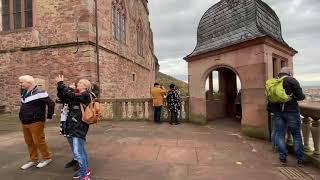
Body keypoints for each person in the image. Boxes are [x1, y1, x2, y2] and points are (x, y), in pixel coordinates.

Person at [56, 75, 94, 180]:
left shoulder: (86, 95)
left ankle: (84, 175)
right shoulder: (77, 94)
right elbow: (63, 97)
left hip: (79, 126)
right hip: (72, 126)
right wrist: (61, 87)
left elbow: (71, 96)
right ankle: (85, 170)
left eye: (81, 83)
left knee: (78, 151)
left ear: (86, 86)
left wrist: (62, 85)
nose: (78, 83)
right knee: (80, 150)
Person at [267, 67, 305, 166]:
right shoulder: (291, 80)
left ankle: (282, 157)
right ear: (289, 73)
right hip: (291, 111)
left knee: (280, 134)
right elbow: (301, 96)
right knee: (296, 135)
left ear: (280, 74)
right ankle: (300, 159)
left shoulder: (273, 82)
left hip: (278, 112)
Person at [18, 75, 55, 170]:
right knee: (29, 141)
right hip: (25, 121)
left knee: (38, 141)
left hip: (36, 121)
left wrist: (49, 116)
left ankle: (47, 158)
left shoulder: (40, 92)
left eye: (22, 82)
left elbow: (51, 103)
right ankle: (33, 159)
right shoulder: (24, 92)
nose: (20, 84)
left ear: (29, 82)